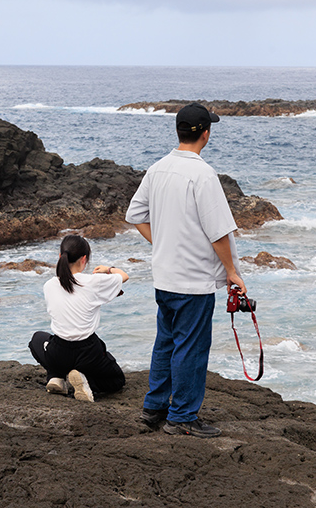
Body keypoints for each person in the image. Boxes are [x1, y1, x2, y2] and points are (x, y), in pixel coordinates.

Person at [125, 102, 246, 438]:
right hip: (194, 280)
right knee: (190, 348)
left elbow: (135, 215)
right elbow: (219, 232)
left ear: (179, 130)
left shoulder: (157, 168)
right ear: (205, 134)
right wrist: (232, 271)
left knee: (166, 342)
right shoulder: (203, 174)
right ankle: (181, 417)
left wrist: (162, 242)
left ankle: (154, 408)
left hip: (165, 275)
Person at [28, 234, 129, 402]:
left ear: (60, 257)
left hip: (59, 353)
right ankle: (85, 382)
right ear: (84, 259)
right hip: (89, 353)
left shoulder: (49, 285)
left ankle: (57, 377)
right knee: (117, 380)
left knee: (36, 339)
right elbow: (124, 276)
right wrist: (107, 269)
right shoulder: (94, 282)